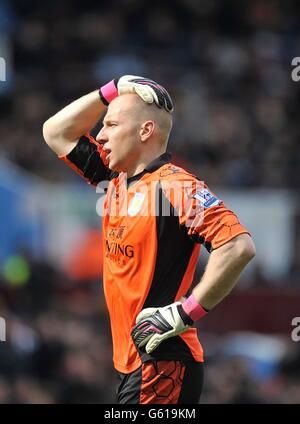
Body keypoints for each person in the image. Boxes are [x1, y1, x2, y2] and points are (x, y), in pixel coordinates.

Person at [43, 75, 256, 404]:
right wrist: (113, 88)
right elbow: (55, 131)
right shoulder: (114, 179)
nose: (99, 134)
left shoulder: (176, 187)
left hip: (162, 361)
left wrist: (185, 313)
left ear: (145, 131)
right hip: (134, 362)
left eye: (111, 124)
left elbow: (238, 246)